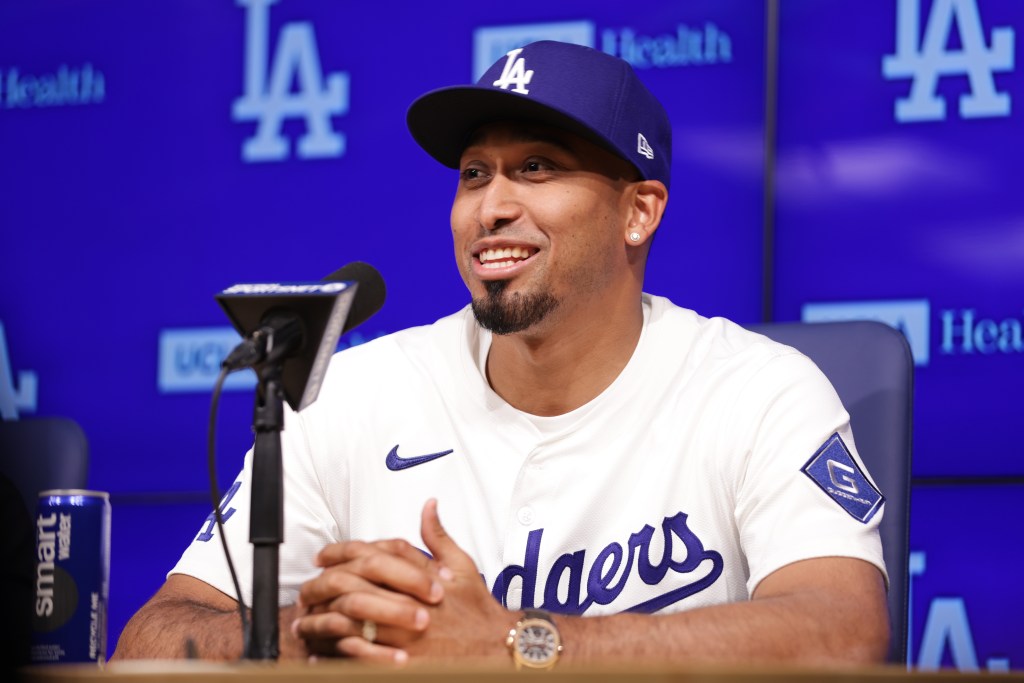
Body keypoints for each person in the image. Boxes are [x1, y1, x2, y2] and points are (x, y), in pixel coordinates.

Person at [113, 40, 889, 667]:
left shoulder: (758, 390)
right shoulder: (348, 396)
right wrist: (319, 631)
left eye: (538, 168)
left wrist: (514, 645)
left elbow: (843, 630)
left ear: (639, 212)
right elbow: (148, 639)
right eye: (475, 174)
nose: (492, 207)